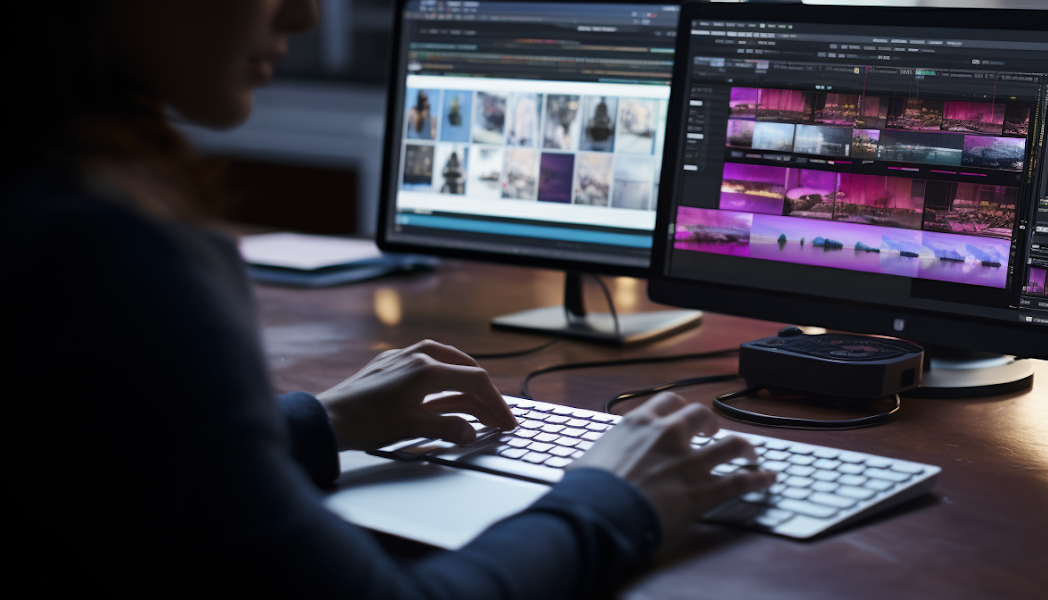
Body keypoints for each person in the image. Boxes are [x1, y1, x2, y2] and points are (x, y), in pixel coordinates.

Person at [8, 1, 772, 597]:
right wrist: (614, 497)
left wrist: (318, 423)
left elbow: (100, 456)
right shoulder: (103, 254)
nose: (305, 17)